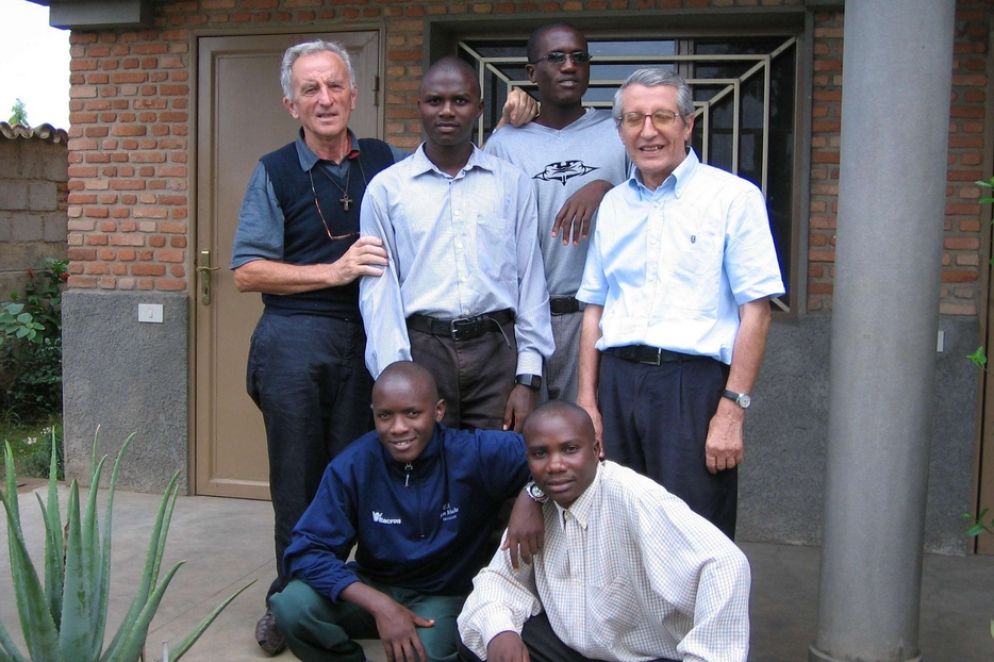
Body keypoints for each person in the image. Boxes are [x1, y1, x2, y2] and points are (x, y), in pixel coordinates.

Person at [231, 42, 539, 654]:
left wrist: (505, 124)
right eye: (311, 89)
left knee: (376, 467)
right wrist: (336, 273)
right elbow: (245, 271)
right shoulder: (276, 171)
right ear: (291, 101)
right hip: (299, 336)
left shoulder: (380, 160)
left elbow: (450, 155)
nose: (325, 99)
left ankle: (459, 599)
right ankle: (297, 591)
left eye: (335, 87)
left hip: (369, 343)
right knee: (300, 476)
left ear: (353, 93)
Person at [575, 68, 785, 539]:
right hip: (617, 381)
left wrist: (732, 411)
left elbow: (757, 310)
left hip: (692, 389)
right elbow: (595, 309)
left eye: (662, 116)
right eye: (633, 119)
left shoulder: (732, 198)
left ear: (688, 124)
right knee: (618, 532)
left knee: (694, 538)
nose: (648, 131)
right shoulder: (613, 207)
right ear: (620, 130)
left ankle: (698, 618)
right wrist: (588, 401)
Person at [269, 361, 542, 662]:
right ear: (373, 413)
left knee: (418, 654)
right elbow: (306, 551)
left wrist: (531, 495)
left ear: (438, 411)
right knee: (291, 606)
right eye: (385, 416)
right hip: (376, 585)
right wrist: (379, 605)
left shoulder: (474, 453)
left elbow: (548, 452)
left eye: (412, 413)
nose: (398, 428)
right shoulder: (353, 465)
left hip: (443, 594)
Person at [457, 401, 752, 662]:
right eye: (540, 454)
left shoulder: (634, 499)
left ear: (596, 450)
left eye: (570, 449)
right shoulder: (538, 503)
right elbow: (498, 579)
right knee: (484, 637)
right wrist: (501, 632)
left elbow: (726, 564)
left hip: (648, 656)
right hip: (578, 650)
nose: (556, 465)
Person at [360, 57, 554, 433]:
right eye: (435, 101)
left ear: (479, 108)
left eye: (460, 101)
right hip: (423, 350)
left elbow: (531, 280)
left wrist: (528, 376)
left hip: (496, 353)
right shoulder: (386, 190)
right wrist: (395, 373)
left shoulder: (511, 184)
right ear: (419, 107)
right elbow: (379, 293)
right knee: (427, 477)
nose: (447, 111)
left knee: (500, 473)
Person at [483, 23, 629, 403]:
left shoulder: (619, 134)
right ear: (532, 73)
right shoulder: (504, 144)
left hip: (594, 316)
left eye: (579, 58)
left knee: (587, 442)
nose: (569, 66)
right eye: (557, 57)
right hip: (521, 320)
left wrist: (607, 188)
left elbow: (657, 203)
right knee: (521, 445)